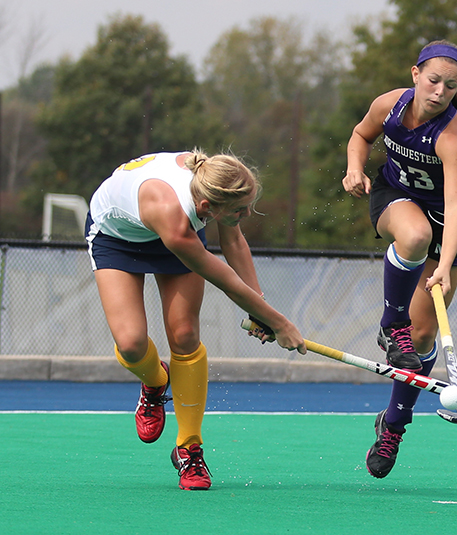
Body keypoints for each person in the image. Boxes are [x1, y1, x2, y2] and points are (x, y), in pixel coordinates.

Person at [85, 149, 306, 490]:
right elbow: (227, 281)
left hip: (173, 227)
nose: (247, 214)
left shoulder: (215, 177)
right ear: (207, 209)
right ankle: (156, 381)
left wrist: (257, 305)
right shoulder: (176, 218)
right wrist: (280, 323)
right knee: (130, 344)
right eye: (240, 210)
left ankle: (189, 448)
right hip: (117, 238)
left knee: (185, 334)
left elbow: (234, 240)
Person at [342, 40, 457, 478]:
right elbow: (361, 135)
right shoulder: (389, 105)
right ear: (415, 74)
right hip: (396, 197)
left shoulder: (452, 137)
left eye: (451, 85)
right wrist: (354, 168)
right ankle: (391, 323)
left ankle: (394, 425)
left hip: (449, 222)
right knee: (415, 234)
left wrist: (446, 264)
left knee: (423, 340)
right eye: (434, 80)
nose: (440, 91)